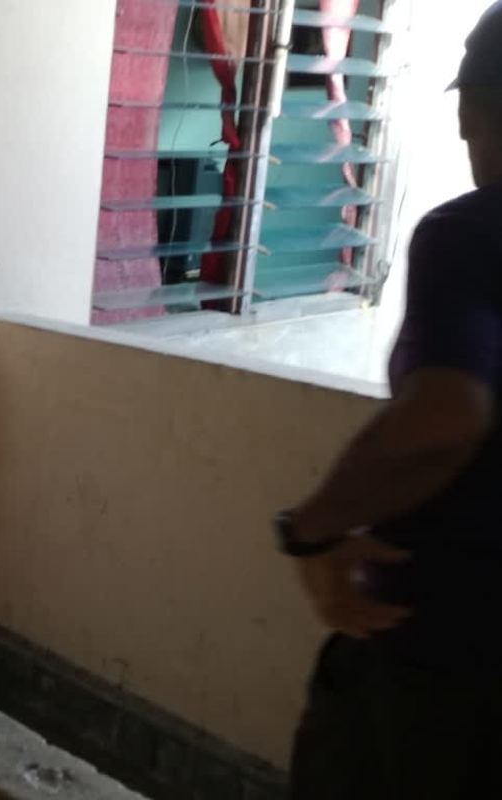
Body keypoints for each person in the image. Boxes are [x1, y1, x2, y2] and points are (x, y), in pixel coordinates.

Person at [276, 3, 502, 797]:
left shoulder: (470, 234)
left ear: (474, 106)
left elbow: (445, 415)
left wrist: (310, 530)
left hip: (445, 665)